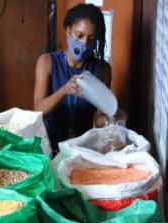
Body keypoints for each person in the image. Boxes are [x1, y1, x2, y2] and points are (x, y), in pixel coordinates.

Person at [34, 3, 123, 152]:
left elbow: (98, 118)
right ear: (68, 30)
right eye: (79, 35)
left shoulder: (103, 69)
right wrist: (64, 90)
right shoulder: (47, 62)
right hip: (50, 146)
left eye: (91, 38)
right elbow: (38, 111)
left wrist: (110, 121)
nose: (84, 43)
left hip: (83, 149)